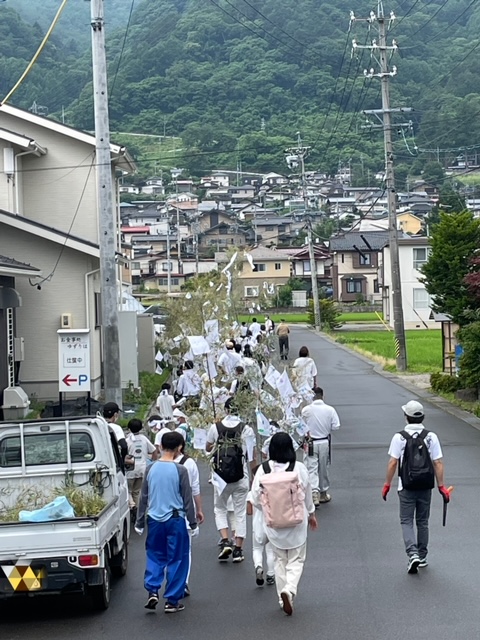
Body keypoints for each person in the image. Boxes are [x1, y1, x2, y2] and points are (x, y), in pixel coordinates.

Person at [251, 432, 317, 616]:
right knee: (297, 559)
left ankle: (282, 598)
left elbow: (255, 498)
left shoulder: (263, 469)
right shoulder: (299, 468)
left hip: (273, 523)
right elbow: (308, 495)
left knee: (280, 559)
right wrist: (311, 513)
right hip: (297, 522)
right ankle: (290, 589)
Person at [382, 400, 450, 574]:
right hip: (426, 485)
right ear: (422, 417)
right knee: (422, 521)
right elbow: (438, 462)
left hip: (406, 485)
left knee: (406, 520)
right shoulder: (431, 436)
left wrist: (387, 484)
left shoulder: (399, 437)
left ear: (406, 417)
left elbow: (392, 462)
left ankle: (412, 554)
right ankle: (422, 556)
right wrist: (441, 486)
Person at [135, 431, 198, 613]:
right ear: (179, 448)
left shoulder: (151, 469)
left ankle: (153, 591)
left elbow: (143, 497)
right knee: (177, 558)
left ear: (160, 446)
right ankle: (172, 600)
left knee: (155, 555)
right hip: (175, 519)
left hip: (154, 520)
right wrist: (193, 523)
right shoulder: (181, 470)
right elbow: (187, 500)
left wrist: (139, 522)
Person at [206, 399, 257, 563]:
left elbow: (207, 448)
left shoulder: (216, 427)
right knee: (240, 512)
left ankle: (225, 540)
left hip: (220, 477)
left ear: (226, 409)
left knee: (219, 508)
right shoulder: (246, 429)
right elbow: (251, 456)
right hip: (240, 476)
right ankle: (238, 549)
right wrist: (254, 475)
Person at [174, 433, 204, 597]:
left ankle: (171, 581)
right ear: (181, 446)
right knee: (186, 550)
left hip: (162, 515)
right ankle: (183, 582)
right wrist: (199, 510)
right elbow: (195, 489)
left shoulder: (158, 465)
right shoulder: (189, 463)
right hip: (184, 512)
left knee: (168, 550)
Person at [301, 387, 340, 506]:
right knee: (323, 467)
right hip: (324, 441)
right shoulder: (330, 410)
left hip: (311, 442)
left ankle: (314, 493)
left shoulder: (306, 410)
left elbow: (301, 426)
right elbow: (336, 426)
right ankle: (323, 492)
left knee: (311, 467)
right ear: (323, 396)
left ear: (312, 396)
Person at [247, 469, 275, 588]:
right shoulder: (273, 492)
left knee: (257, 549)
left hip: (258, 526)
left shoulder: (252, 494)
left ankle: (258, 566)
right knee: (270, 550)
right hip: (271, 524)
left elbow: (248, 512)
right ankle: (271, 574)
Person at [126, 419, 157, 520]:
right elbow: (154, 450)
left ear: (129, 428)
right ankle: (138, 511)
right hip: (142, 469)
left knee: (128, 490)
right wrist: (153, 462)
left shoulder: (127, 440)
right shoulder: (144, 439)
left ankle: (132, 505)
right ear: (141, 428)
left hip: (130, 469)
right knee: (137, 491)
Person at [103, 402, 132, 470]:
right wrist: (123, 461)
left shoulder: (97, 426)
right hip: (113, 463)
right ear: (115, 415)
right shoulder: (116, 428)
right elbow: (124, 446)